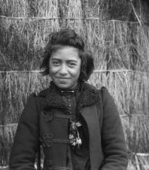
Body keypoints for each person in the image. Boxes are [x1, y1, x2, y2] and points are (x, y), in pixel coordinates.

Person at [9, 29, 128, 170]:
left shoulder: (100, 100)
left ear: (81, 66)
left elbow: (117, 155)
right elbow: (20, 161)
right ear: (48, 64)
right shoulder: (38, 104)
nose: (63, 71)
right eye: (56, 63)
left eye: (71, 64)